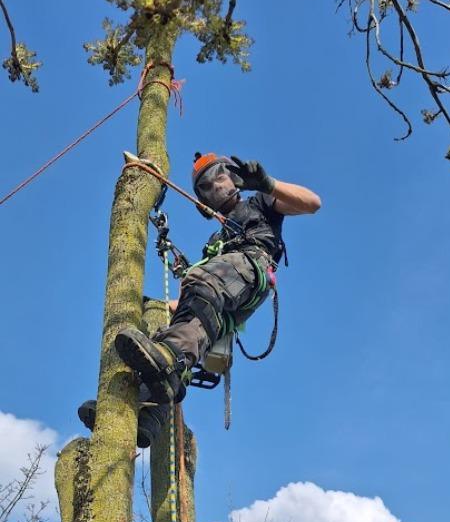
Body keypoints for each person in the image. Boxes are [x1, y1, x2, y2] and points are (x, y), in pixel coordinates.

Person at [78, 154, 321, 446]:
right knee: (173, 326)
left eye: (219, 178)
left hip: (251, 268)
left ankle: (170, 358)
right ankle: (137, 411)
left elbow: (312, 203)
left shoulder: (259, 204)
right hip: (222, 301)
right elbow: (187, 301)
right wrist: (150, 304)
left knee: (188, 307)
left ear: (233, 178)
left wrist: (268, 184)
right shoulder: (213, 245)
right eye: (206, 186)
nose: (215, 187)